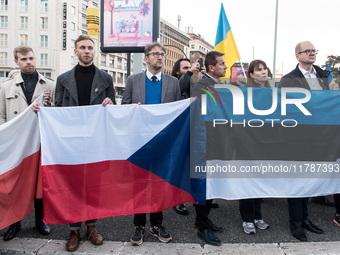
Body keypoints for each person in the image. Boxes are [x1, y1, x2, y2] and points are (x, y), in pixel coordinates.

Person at [32, 35, 115, 252]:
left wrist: (110, 103)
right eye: (82, 48)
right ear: (75, 51)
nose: (87, 51)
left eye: (90, 48)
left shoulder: (106, 78)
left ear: (94, 51)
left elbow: (114, 111)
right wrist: (43, 111)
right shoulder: (63, 79)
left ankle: (92, 227)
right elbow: (59, 112)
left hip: (96, 143)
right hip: (72, 143)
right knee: (73, 186)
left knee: (93, 187)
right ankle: (74, 230)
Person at [122, 42, 181, 246]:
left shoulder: (173, 83)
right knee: (139, 184)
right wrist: (133, 109)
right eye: (156, 54)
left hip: (163, 144)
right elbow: (124, 108)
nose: (160, 57)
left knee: (159, 183)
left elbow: (178, 112)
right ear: (146, 58)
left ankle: (157, 224)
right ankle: (139, 225)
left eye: (162, 54)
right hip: (139, 143)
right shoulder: (133, 80)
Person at [0, 46, 54, 241]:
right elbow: (1, 115)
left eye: (31, 58)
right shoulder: (6, 86)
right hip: (16, 144)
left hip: (40, 142)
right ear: (16, 62)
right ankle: (15, 223)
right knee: (14, 184)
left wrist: (49, 104)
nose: (28, 62)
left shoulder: (49, 85)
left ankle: (40, 220)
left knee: (40, 183)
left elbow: (57, 113)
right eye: (23, 59)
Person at [279, 41, 327, 242]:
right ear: (297, 55)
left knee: (309, 180)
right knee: (296, 180)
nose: (312, 53)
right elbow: (283, 107)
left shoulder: (323, 76)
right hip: (297, 137)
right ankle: (296, 222)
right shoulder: (289, 79)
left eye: (313, 50)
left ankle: (306, 218)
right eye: (307, 51)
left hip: (319, 136)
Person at [191, 51, 227, 246]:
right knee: (202, 186)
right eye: (222, 64)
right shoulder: (202, 87)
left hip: (214, 144)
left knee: (210, 186)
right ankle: (202, 227)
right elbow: (203, 118)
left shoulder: (215, 85)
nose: (225, 66)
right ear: (211, 67)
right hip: (204, 145)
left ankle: (203, 219)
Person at [239, 60, 270, 235]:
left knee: (260, 180)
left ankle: (258, 216)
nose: (263, 72)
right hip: (247, 143)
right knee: (247, 181)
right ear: (251, 74)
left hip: (266, 143)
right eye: (259, 70)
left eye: (265, 69)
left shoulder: (273, 93)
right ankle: (247, 218)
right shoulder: (244, 93)